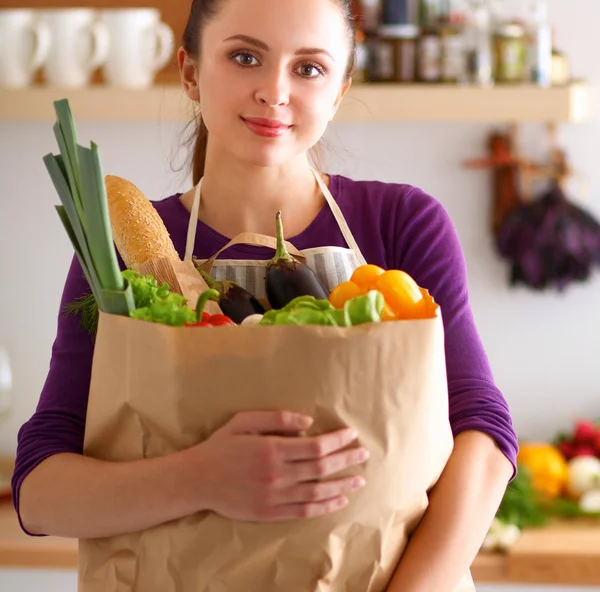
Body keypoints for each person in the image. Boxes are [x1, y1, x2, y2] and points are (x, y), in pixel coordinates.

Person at [12, 0, 518, 589]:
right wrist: (201, 478)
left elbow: (481, 433)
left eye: (308, 68)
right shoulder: (120, 254)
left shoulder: (402, 222)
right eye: (246, 57)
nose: (274, 92)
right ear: (191, 72)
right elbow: (41, 490)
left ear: (339, 91)